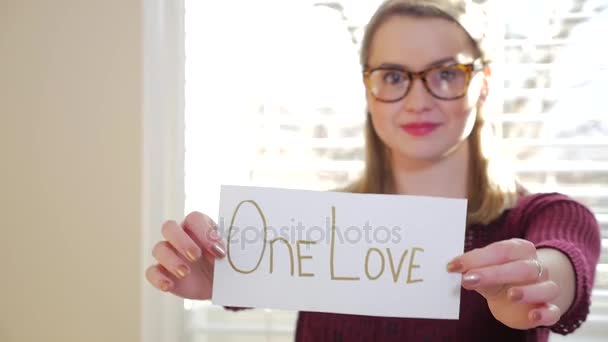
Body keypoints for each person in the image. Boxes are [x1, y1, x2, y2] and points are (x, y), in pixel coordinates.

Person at [144, 0, 601, 340]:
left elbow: (558, 267)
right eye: (394, 76)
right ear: (368, 88)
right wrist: (213, 270)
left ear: (482, 84)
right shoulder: (317, 229)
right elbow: (238, 270)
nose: (418, 99)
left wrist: (534, 281)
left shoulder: (541, 218)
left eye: (445, 73)